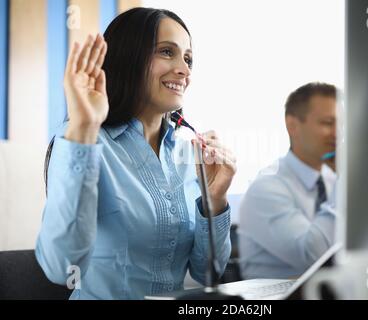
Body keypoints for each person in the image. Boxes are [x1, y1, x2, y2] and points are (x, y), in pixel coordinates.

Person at [35, 8, 237, 300]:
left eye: (188, 58)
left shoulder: (187, 152)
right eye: (167, 52)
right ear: (129, 58)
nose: (184, 69)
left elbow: (207, 273)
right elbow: (61, 268)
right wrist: (83, 127)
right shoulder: (85, 139)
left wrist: (214, 199)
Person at [238, 82, 337, 279]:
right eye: (328, 123)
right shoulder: (265, 188)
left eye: (343, 124)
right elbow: (314, 256)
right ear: (292, 125)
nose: (338, 133)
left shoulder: (333, 181)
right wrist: (348, 183)